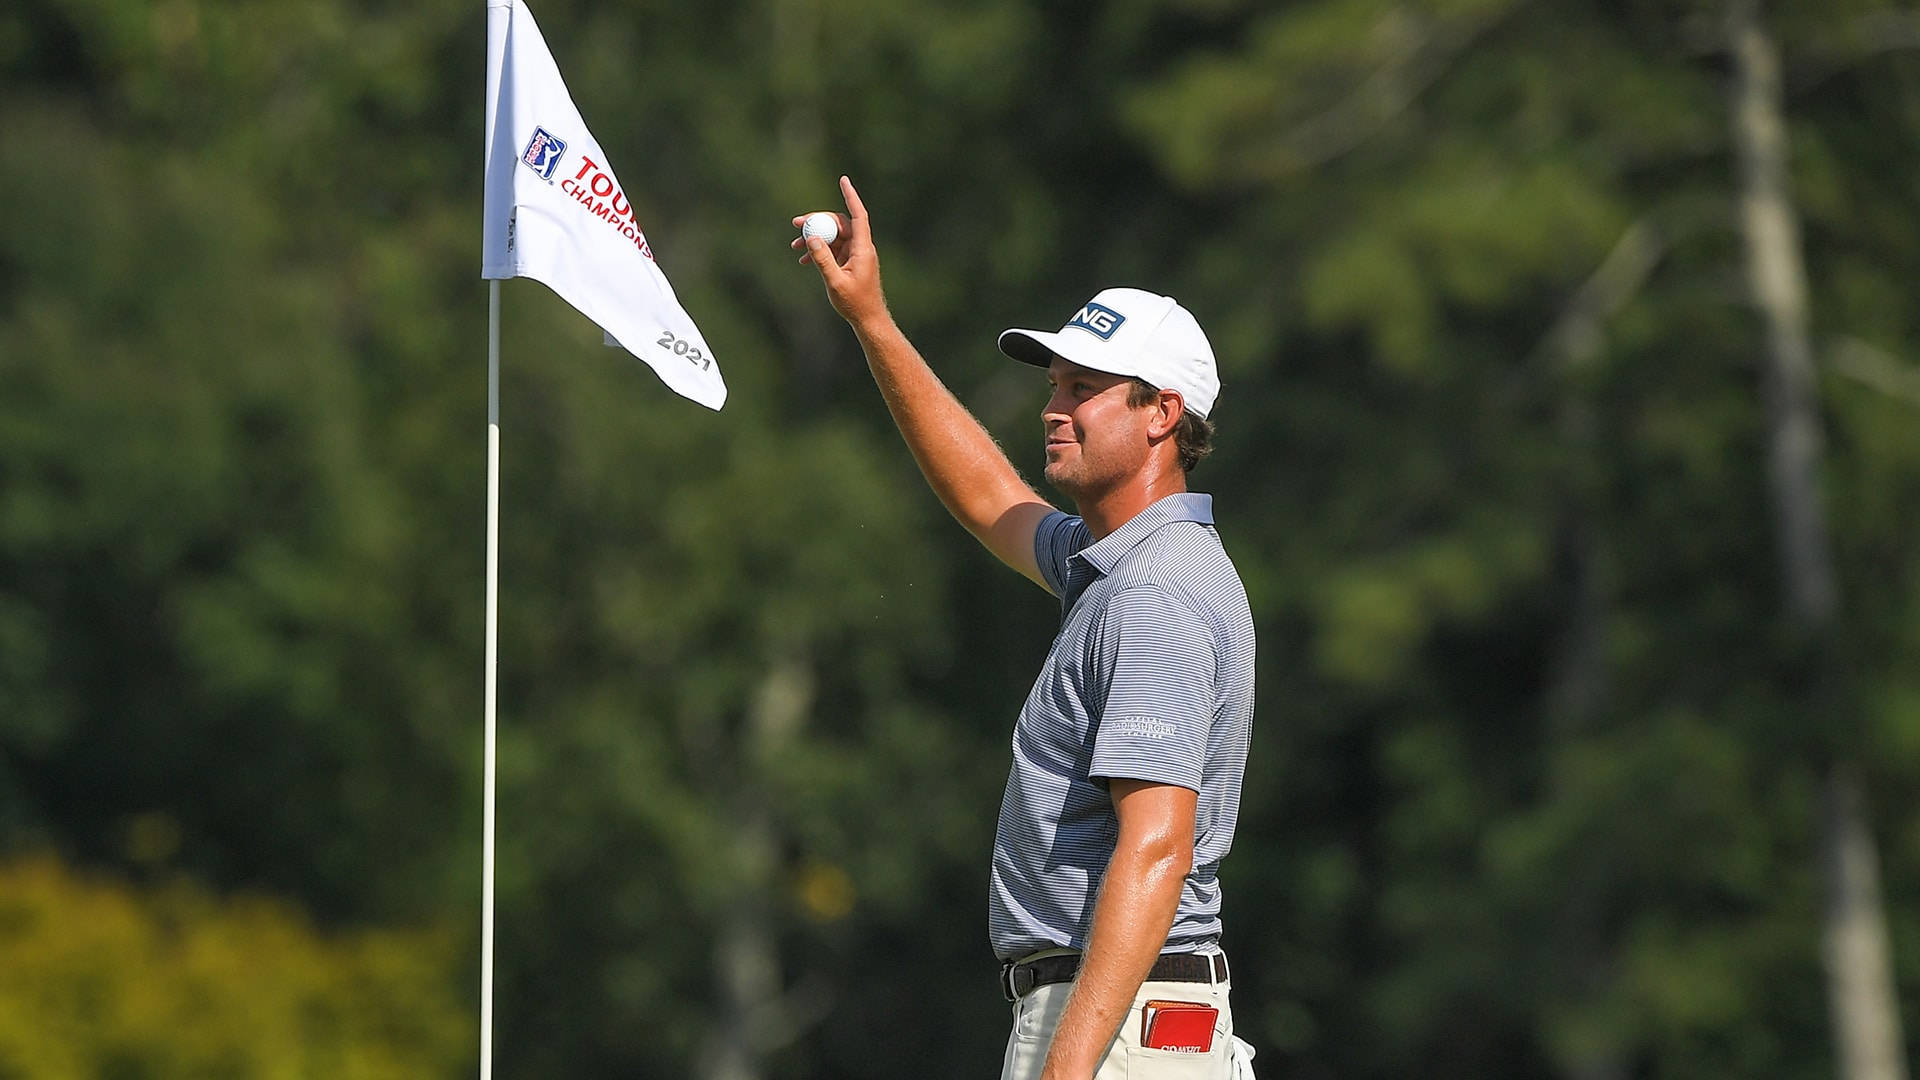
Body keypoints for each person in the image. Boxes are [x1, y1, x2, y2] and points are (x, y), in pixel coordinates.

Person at [794, 177, 1257, 1080]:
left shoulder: (1155, 594)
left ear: (1162, 413)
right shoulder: (1114, 562)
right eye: (1054, 383)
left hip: (1120, 1029)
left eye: (1084, 388)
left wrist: (1067, 1068)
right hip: (1126, 1019)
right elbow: (988, 497)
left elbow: (1156, 845)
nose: (1054, 406)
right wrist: (873, 322)